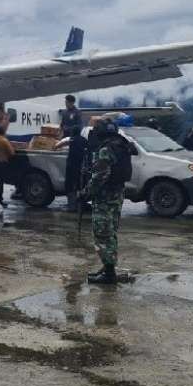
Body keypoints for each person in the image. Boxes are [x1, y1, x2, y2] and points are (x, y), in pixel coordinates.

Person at [82, 118, 132, 285]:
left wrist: (86, 193)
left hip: (104, 197)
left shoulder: (105, 149)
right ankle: (108, 267)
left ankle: (109, 274)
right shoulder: (121, 145)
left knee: (102, 234)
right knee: (111, 233)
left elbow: (100, 177)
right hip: (117, 195)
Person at [63, 126, 89, 211]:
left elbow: (62, 143)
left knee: (70, 186)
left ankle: (71, 206)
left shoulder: (72, 139)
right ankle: (80, 205)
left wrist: (55, 147)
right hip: (81, 167)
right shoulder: (84, 140)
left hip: (71, 166)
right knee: (80, 186)